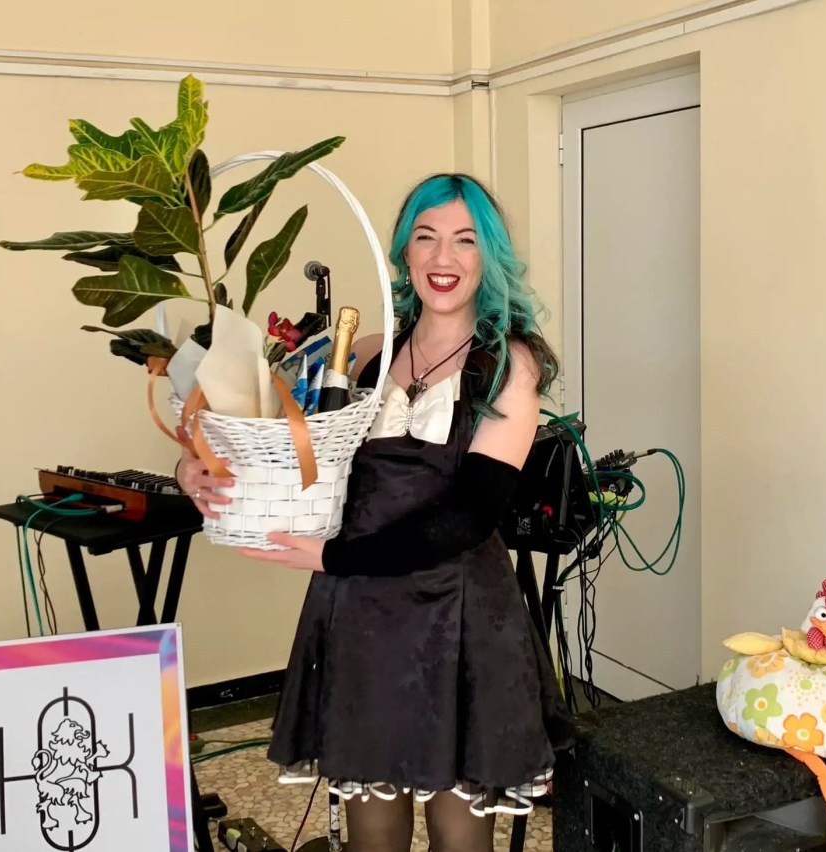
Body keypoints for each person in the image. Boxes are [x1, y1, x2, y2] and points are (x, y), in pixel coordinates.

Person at [175, 173, 574, 852]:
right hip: (364, 618)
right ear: (404, 251)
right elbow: (258, 423)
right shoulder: (362, 355)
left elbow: (469, 518)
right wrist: (193, 463)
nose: (443, 258)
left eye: (465, 240)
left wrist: (332, 557)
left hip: (460, 619)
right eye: (426, 237)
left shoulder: (511, 364)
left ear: (489, 256)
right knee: (373, 835)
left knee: (458, 837)